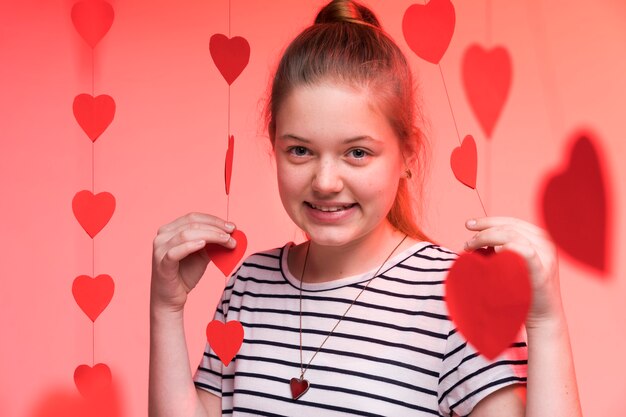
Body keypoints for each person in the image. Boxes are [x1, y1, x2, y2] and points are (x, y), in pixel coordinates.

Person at [148, 1, 583, 416]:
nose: (325, 182)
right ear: (274, 144)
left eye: (357, 153)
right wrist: (166, 309)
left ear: (407, 155)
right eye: (300, 150)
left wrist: (546, 322)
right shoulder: (247, 285)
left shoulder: (457, 297)